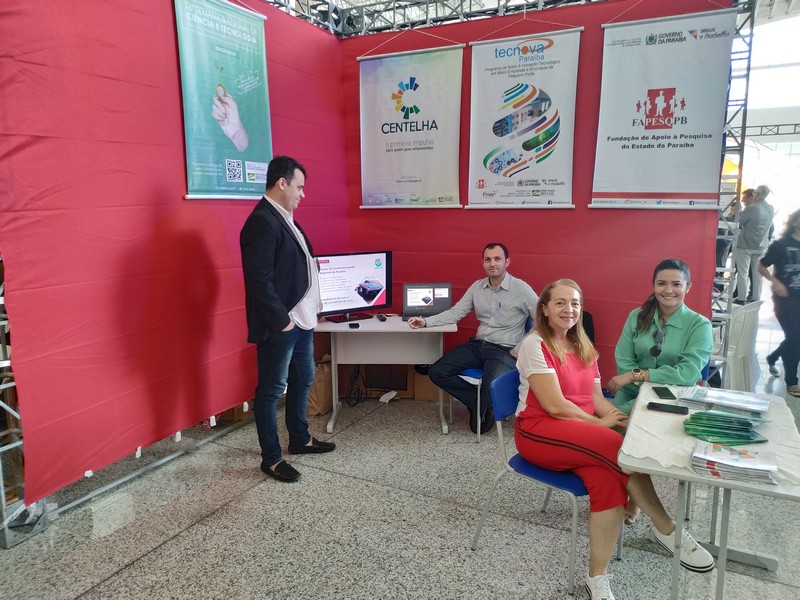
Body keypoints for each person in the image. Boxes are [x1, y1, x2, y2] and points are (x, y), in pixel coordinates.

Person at [515, 279, 714, 600]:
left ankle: (596, 579)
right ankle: (667, 529)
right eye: (560, 303)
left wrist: (617, 418)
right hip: (539, 430)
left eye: (575, 303)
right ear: (545, 309)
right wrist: (600, 424)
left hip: (581, 434)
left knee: (610, 480)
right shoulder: (534, 344)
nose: (569, 309)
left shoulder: (583, 345)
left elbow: (596, 399)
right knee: (617, 446)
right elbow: (554, 405)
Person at [240, 155, 335, 483]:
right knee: (270, 391)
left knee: (303, 379)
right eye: (299, 187)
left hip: (302, 321)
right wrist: (282, 320)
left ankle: (300, 439)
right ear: (282, 183)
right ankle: (271, 458)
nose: (302, 194)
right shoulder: (261, 221)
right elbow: (258, 279)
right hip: (282, 324)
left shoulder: (285, 217)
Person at [607, 258, 712, 524]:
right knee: (606, 434)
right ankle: (615, 494)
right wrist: (635, 379)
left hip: (673, 400)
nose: (668, 290)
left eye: (676, 284)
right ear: (653, 285)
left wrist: (638, 375)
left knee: (638, 434)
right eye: (662, 283)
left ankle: (634, 499)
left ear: (688, 287)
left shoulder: (699, 325)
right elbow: (624, 360)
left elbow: (687, 374)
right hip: (632, 395)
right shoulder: (636, 317)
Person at [408, 243, 538, 434]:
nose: (492, 263)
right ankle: (479, 403)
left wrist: (521, 347)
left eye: (497, 259)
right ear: (483, 263)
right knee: (437, 371)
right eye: (488, 259)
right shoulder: (477, 287)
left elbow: (543, 321)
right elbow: (456, 313)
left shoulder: (521, 288)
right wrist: (426, 322)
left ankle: (483, 403)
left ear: (507, 262)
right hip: (479, 345)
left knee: (488, 398)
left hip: (505, 350)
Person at [759, 209, 800, 397]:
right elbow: (761, 266)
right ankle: (792, 381)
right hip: (785, 298)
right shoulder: (781, 245)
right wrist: (775, 282)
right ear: (795, 222)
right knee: (795, 338)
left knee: (794, 337)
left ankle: (773, 356)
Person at [733, 184, 774, 304]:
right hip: (761, 246)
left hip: (745, 245)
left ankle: (741, 298)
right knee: (757, 274)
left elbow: (739, 222)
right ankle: (755, 297)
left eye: (755, 193)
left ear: (758, 194)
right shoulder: (770, 208)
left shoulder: (751, 208)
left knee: (743, 273)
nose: (753, 194)